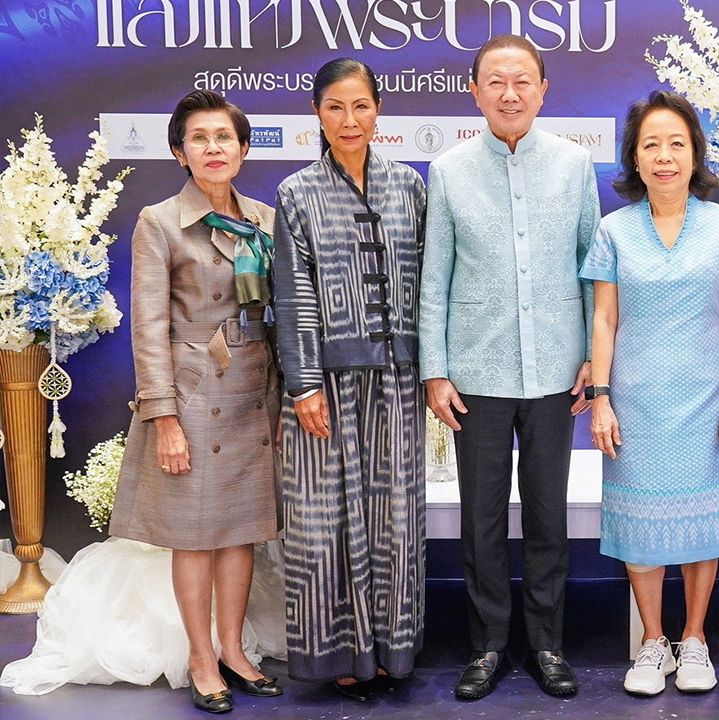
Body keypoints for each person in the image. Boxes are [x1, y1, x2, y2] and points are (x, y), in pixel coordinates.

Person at [418, 34, 599, 700]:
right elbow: (434, 278)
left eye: (523, 80)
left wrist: (591, 357)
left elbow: (592, 269)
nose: (510, 92)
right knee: (482, 519)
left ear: (544, 89)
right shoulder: (450, 170)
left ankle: (548, 643)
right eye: (495, 80)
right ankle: (489, 645)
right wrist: (436, 369)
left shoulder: (573, 167)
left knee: (549, 516)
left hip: (556, 371)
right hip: (477, 375)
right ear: (475, 91)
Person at [107, 89, 282, 713]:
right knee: (197, 537)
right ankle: (202, 657)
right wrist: (165, 418)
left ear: (242, 148)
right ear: (180, 152)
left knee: (240, 534)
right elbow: (148, 326)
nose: (214, 148)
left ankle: (235, 651)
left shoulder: (265, 218)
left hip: (254, 400)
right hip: (193, 397)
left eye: (225, 138)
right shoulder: (159, 222)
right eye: (200, 139)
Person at [580, 91, 719, 697]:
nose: (664, 157)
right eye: (651, 145)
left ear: (694, 154)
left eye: (676, 144)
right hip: (635, 400)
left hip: (708, 397)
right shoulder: (613, 231)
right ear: (634, 156)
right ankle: (654, 642)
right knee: (642, 526)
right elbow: (604, 320)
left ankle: (697, 638)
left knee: (700, 526)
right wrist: (600, 397)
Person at [273, 58, 428, 702]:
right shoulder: (297, 193)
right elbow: (292, 291)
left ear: (378, 110)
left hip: (397, 383)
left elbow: (431, 282)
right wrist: (304, 382)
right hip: (327, 390)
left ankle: (393, 650)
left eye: (360, 106)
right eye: (335, 106)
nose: (349, 120)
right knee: (323, 520)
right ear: (317, 113)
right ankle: (339, 650)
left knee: (395, 515)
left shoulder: (410, 188)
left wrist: (433, 367)